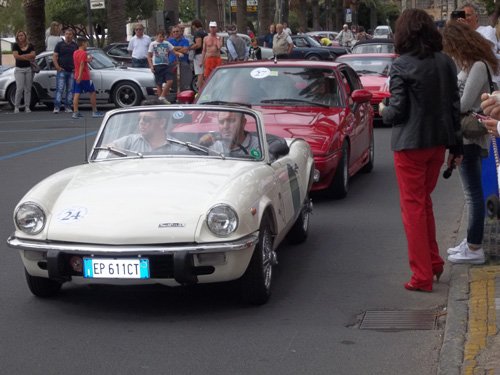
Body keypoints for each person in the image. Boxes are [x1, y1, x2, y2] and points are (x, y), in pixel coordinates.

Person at [378, 9, 463, 292]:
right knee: (423, 203)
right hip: (437, 143)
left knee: (413, 208)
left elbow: (397, 112)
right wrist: (456, 146)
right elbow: (454, 106)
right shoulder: (446, 62)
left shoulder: (401, 65)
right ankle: (433, 263)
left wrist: (382, 109)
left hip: (410, 146)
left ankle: (422, 275)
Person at [442, 21, 499, 264]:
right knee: (471, 192)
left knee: (472, 193)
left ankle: (475, 247)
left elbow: (465, 104)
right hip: (468, 135)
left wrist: (447, 97)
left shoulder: (477, 66)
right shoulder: (470, 65)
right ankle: (471, 241)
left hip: (471, 135)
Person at [72, 37, 104, 119]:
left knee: (76, 93)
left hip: (76, 76)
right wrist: (80, 76)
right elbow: (82, 64)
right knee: (92, 92)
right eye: (86, 43)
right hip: (85, 77)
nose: (87, 45)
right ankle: (95, 111)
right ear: (82, 43)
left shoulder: (75, 52)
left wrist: (88, 60)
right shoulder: (83, 53)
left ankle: (75, 112)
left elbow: (80, 62)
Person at [148, 30, 183, 103]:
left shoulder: (167, 43)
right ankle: (161, 101)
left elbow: (173, 51)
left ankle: (162, 96)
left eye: (163, 37)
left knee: (170, 81)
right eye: (160, 36)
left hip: (166, 64)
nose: (161, 38)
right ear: (157, 36)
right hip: (157, 65)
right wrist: (151, 66)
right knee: (159, 83)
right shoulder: (153, 44)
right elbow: (149, 56)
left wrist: (178, 53)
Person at [52, 28, 78, 114]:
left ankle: (68, 107)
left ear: (72, 35)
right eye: (66, 34)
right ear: (64, 34)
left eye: (70, 34)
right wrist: (57, 67)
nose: (68, 35)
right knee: (59, 89)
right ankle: (57, 107)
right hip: (61, 71)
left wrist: (76, 68)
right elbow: (55, 57)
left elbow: (78, 58)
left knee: (70, 90)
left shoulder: (75, 45)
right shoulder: (59, 45)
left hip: (71, 71)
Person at [12, 30, 36, 114]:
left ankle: (27, 107)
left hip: (28, 69)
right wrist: (27, 57)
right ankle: (16, 107)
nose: (20, 37)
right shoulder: (15, 45)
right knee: (19, 88)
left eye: (22, 35)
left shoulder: (30, 45)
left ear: (25, 36)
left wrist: (22, 55)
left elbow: (33, 55)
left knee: (28, 89)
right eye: (19, 36)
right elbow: (16, 56)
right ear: (17, 37)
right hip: (19, 69)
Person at [168, 25, 192, 91]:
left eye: (177, 31)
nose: (175, 33)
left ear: (180, 32)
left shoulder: (185, 41)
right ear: (172, 33)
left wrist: (173, 49)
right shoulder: (169, 41)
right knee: (173, 81)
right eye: (174, 32)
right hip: (172, 62)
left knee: (184, 80)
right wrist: (180, 47)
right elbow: (168, 50)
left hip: (183, 63)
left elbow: (185, 50)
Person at [190, 19, 207, 90]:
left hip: (199, 55)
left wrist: (190, 47)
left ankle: (200, 91)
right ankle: (205, 89)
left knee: (200, 74)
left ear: (194, 25)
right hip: (205, 54)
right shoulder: (205, 32)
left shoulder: (197, 33)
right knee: (203, 73)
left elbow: (198, 45)